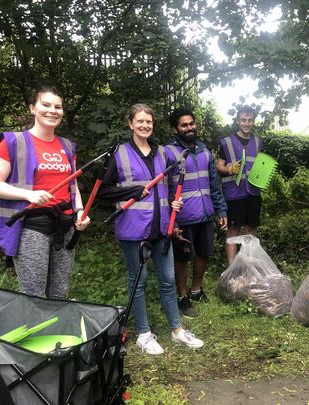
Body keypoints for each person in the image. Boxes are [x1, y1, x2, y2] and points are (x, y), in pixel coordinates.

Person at [98, 103, 204, 355]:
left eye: (149, 122)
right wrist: (130, 190)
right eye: (140, 121)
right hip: (133, 229)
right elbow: (102, 191)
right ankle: (144, 334)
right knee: (139, 281)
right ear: (130, 123)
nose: (145, 125)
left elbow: (167, 185)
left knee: (168, 280)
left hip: (162, 229)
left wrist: (173, 202)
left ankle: (177, 330)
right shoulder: (120, 153)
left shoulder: (161, 152)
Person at [0, 85, 91, 299]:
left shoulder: (68, 146)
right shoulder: (13, 142)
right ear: (33, 108)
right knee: (34, 294)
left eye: (58, 107)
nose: (53, 110)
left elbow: (73, 186)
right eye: (46, 104)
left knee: (60, 292)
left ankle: (55, 331)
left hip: (65, 224)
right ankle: (34, 332)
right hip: (31, 226)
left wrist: (80, 211)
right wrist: (28, 194)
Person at [165, 109, 228, 319]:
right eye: (184, 125)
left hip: (206, 213)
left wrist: (220, 209)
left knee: (204, 253)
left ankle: (196, 290)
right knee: (183, 257)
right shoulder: (168, 152)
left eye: (191, 123)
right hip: (182, 216)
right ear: (176, 129)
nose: (189, 128)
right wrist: (170, 219)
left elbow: (214, 184)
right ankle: (182, 297)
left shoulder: (205, 151)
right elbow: (165, 189)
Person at [216, 105, 262, 265]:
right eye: (243, 120)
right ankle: (231, 269)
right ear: (238, 121)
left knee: (251, 229)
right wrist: (228, 169)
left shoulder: (258, 142)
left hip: (253, 192)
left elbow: (260, 165)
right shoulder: (226, 142)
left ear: (254, 121)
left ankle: (251, 266)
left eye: (250, 120)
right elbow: (218, 166)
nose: (247, 123)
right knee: (232, 231)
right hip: (234, 193)